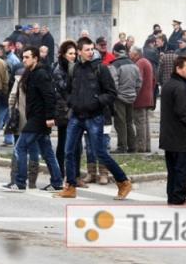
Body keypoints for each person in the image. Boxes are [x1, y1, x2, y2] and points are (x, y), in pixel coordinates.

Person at [56, 37, 132, 200]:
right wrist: (72, 102)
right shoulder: (74, 69)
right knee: (68, 151)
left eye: (92, 49)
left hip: (94, 117)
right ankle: (70, 186)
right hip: (76, 116)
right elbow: (68, 89)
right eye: (87, 50)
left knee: (100, 153)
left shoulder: (101, 69)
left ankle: (123, 181)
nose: (91, 52)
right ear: (79, 52)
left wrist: (96, 102)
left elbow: (112, 93)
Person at [6, 47, 63, 192]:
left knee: (20, 147)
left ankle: (20, 182)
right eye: (23, 57)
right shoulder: (30, 73)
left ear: (35, 58)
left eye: (27, 57)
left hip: (39, 119)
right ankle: (57, 182)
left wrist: (50, 117)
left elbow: (50, 96)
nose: (24, 60)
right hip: (36, 118)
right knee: (47, 152)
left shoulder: (41, 74)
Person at [160, 56, 186, 205]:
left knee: (173, 170)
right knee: (182, 169)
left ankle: (172, 196)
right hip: (182, 137)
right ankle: (178, 197)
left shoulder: (169, 85)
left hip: (171, 137)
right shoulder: (180, 87)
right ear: (178, 68)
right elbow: (184, 113)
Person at [109, 43, 142, 154]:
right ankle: (132, 146)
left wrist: (115, 95)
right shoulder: (134, 65)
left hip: (119, 98)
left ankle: (122, 146)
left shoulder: (115, 65)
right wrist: (134, 93)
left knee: (120, 122)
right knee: (129, 122)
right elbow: (139, 82)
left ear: (115, 53)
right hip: (131, 97)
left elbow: (114, 83)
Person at [52, 41, 77, 181]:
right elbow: (63, 88)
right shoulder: (59, 69)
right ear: (63, 54)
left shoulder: (75, 66)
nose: (73, 56)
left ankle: (74, 174)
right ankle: (60, 172)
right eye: (70, 54)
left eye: (74, 53)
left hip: (76, 109)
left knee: (76, 144)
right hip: (63, 110)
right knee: (63, 143)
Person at [130, 46, 155, 153]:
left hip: (140, 98)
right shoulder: (146, 62)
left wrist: (133, 95)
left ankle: (141, 147)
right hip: (147, 97)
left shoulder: (139, 63)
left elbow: (138, 81)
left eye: (130, 53)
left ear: (136, 54)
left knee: (140, 124)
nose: (129, 55)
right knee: (145, 123)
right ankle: (146, 146)